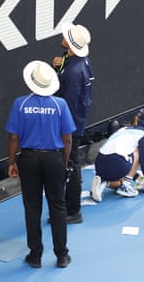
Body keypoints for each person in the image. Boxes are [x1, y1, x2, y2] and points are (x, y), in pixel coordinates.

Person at [5, 60, 76, 268]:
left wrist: (11, 162)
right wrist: (62, 162)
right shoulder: (59, 104)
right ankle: (62, 255)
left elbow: (13, 138)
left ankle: (35, 255)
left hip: (28, 160)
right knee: (58, 205)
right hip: (54, 159)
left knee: (32, 207)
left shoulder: (20, 103)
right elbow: (68, 139)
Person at [52, 22, 94, 224]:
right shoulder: (78, 62)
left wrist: (60, 131)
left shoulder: (72, 73)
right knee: (71, 164)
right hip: (77, 122)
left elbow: (65, 105)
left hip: (69, 127)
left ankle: (72, 211)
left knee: (70, 165)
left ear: (70, 43)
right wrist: (61, 66)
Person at [90, 108, 144, 202]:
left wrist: (136, 177)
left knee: (118, 179)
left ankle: (104, 181)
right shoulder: (143, 137)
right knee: (138, 152)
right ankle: (125, 185)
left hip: (99, 164)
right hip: (117, 164)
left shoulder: (122, 129)